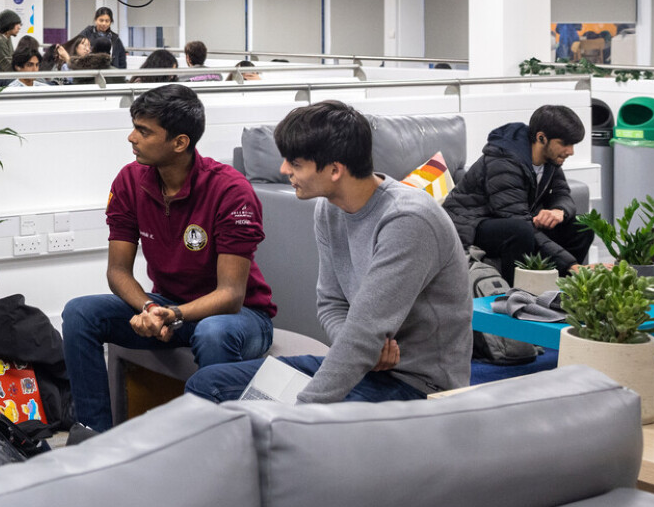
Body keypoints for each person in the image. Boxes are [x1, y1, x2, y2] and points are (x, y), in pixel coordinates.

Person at [186, 101, 471, 405]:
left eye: (295, 164)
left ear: (336, 169)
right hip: (360, 364)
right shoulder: (329, 208)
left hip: (415, 385)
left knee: (289, 420)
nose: (284, 170)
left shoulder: (408, 220)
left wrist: (301, 410)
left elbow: (365, 331)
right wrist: (365, 350)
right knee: (207, 384)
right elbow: (331, 304)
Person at [60, 84, 275, 432]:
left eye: (144, 131)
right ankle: (95, 438)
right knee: (80, 313)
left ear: (179, 142)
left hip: (239, 316)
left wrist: (172, 314)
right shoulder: (130, 181)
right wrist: (149, 309)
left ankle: (218, 446)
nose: (132, 138)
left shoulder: (231, 191)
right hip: (168, 306)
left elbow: (231, 295)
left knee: (212, 332)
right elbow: (117, 272)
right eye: (134, 127)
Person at [442, 105, 591, 279]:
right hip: (472, 222)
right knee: (520, 231)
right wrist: (571, 264)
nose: (570, 151)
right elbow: (516, 218)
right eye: (564, 144)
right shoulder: (503, 162)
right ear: (541, 138)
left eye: (572, 144)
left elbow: (561, 192)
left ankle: (561, 288)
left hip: (513, 218)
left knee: (583, 227)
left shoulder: (550, 159)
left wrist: (559, 210)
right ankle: (516, 296)